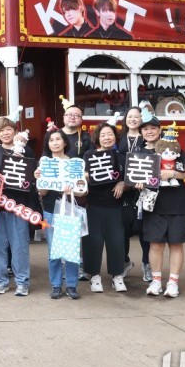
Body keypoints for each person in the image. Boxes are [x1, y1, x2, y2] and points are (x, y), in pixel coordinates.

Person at [136, 116, 185, 298]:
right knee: (155, 245)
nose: (149, 131)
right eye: (145, 129)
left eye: (153, 128)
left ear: (160, 130)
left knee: (176, 244)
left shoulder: (173, 146)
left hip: (177, 203)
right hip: (153, 205)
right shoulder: (140, 153)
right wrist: (137, 183)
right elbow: (133, 177)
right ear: (141, 133)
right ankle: (156, 281)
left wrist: (173, 173)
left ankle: (173, 282)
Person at [0, 117, 35, 296]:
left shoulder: (26, 150)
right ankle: (1, 281)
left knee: (19, 245)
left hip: (18, 207)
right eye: (1, 130)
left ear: (15, 131)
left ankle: (22, 282)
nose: (5, 133)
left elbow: (32, 177)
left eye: (8, 129)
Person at [82, 123, 128, 293]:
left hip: (115, 206)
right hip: (94, 205)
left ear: (115, 137)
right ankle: (94, 276)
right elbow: (82, 176)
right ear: (97, 138)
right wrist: (85, 176)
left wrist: (123, 183)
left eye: (110, 134)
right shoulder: (89, 155)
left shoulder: (121, 156)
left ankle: (117, 276)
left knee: (116, 242)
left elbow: (130, 177)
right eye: (103, 135)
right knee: (93, 242)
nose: (107, 137)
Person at [35, 129, 80, 299]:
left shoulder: (74, 164)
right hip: (50, 210)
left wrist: (72, 189)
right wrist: (40, 177)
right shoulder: (45, 164)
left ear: (65, 142)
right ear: (48, 144)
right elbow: (42, 192)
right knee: (53, 250)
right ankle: (55, 285)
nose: (55, 142)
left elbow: (82, 192)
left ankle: (72, 285)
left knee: (71, 249)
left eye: (58, 139)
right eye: (51, 140)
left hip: (69, 211)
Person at [117, 107, 151, 282]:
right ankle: (124, 262)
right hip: (123, 191)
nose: (132, 119)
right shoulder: (119, 137)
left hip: (142, 190)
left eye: (136, 116)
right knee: (123, 229)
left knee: (144, 230)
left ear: (141, 119)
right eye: (129, 116)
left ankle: (147, 263)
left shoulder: (146, 137)